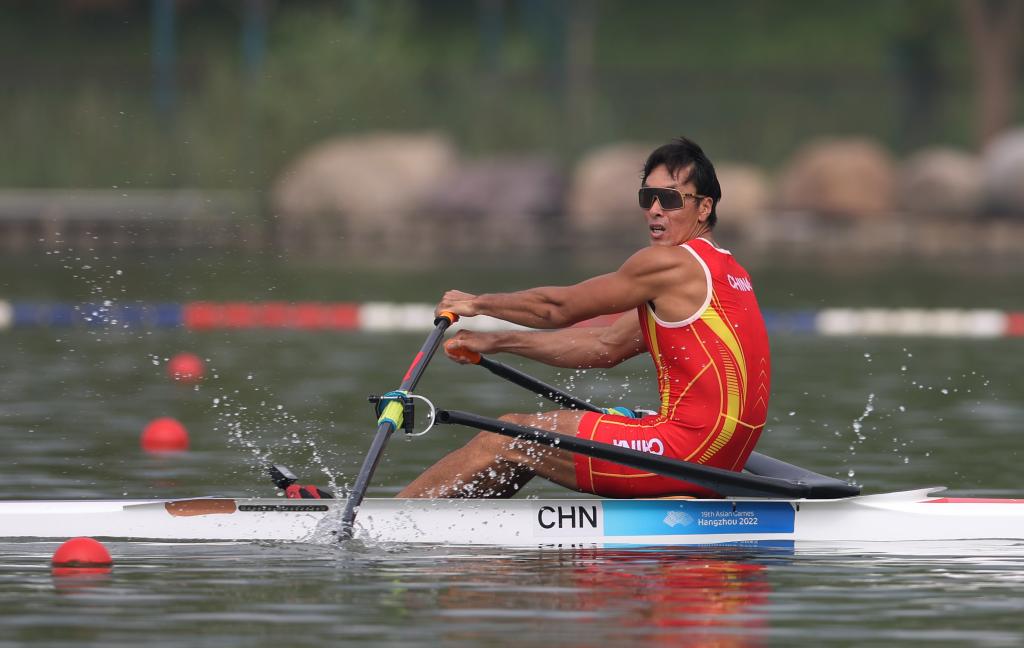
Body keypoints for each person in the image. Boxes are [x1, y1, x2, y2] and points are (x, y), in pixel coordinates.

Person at [398, 137, 771, 499]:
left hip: (684, 450)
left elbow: (558, 309)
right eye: (648, 198)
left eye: (670, 199)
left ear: (704, 208)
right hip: (722, 459)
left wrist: (478, 304)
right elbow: (605, 345)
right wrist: (497, 342)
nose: (655, 210)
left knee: (507, 435)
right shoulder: (729, 273)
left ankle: (391, 518)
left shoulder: (670, 264)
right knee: (532, 445)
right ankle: (460, 525)